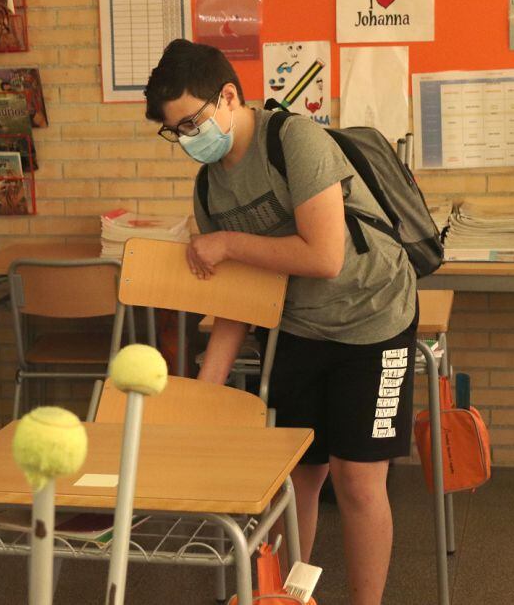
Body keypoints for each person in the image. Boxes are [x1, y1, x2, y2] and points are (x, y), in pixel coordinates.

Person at [144, 39, 417, 605]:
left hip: (374, 317)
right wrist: (200, 402)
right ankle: (289, 599)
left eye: (193, 121)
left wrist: (226, 243)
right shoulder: (209, 185)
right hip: (296, 327)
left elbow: (325, 257)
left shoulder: (294, 139)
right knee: (297, 478)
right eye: (177, 131)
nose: (190, 138)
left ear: (228, 96)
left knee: (359, 483)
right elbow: (236, 302)